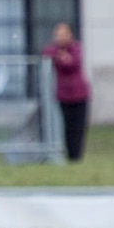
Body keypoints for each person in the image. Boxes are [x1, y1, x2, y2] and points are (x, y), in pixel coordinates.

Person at [42, 22, 91, 162]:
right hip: (63, 95)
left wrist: (63, 58)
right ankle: (70, 156)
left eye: (64, 34)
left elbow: (72, 63)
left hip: (80, 95)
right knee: (67, 128)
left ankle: (77, 157)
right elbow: (46, 53)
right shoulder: (54, 50)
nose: (61, 37)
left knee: (78, 128)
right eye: (58, 34)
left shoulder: (76, 48)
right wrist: (62, 56)